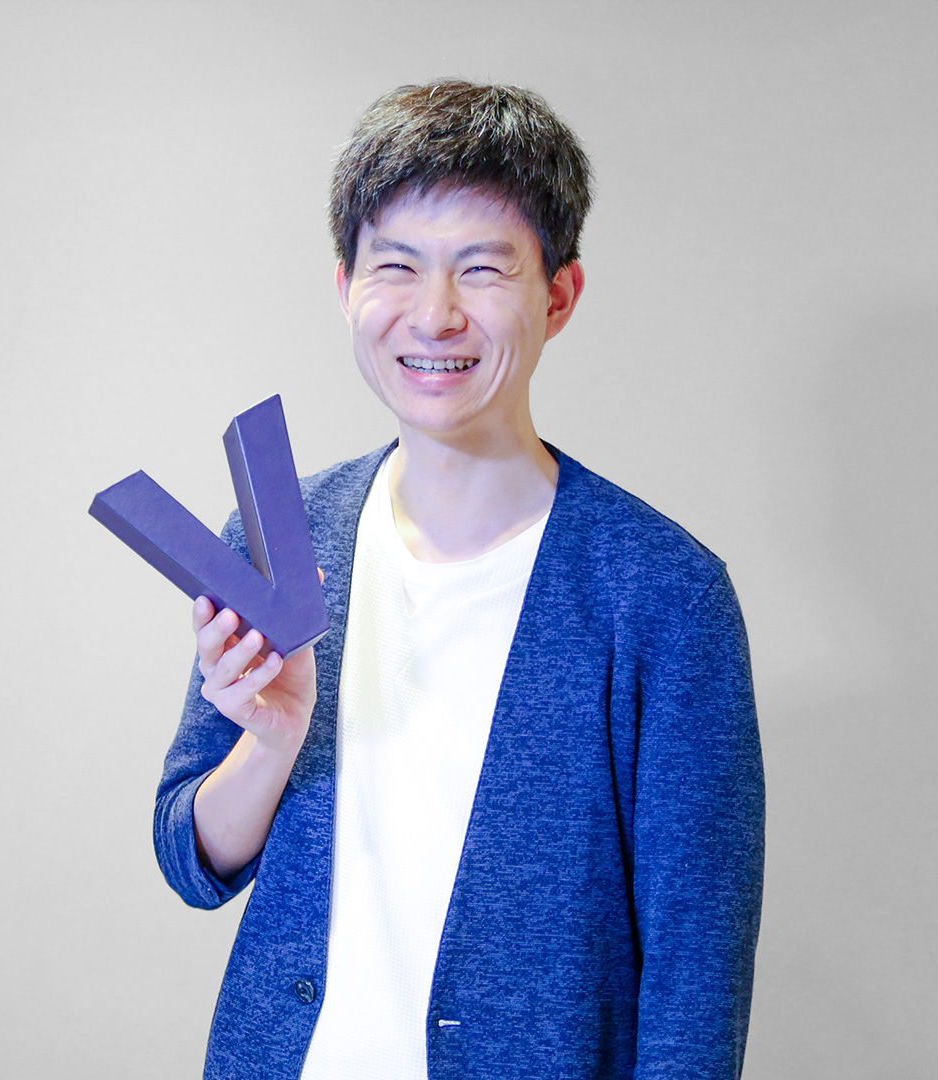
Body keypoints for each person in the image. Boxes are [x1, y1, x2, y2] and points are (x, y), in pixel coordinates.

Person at [155, 80, 764, 1080]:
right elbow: (192, 860)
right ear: (345, 285)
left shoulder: (660, 594)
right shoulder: (281, 530)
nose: (434, 316)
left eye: (482, 269)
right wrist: (269, 743)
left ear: (557, 296)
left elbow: (695, 984)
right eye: (396, 265)